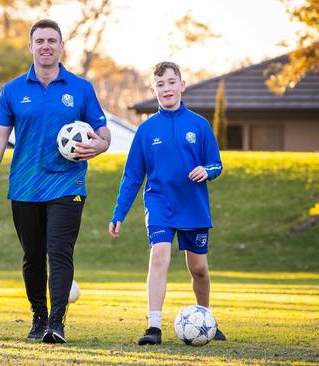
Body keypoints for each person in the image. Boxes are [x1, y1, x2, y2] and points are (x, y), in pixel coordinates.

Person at [0, 19, 112, 344]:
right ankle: (38, 318)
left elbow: (103, 131)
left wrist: (100, 145)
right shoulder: (12, 90)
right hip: (25, 186)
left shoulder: (81, 88)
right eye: (40, 41)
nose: (46, 46)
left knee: (59, 252)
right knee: (32, 256)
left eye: (52, 40)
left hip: (68, 185)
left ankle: (56, 322)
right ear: (31, 47)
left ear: (62, 47)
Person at [108, 61, 226, 345]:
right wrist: (119, 212)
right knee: (159, 255)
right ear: (154, 89)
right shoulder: (146, 131)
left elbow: (216, 163)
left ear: (181, 85)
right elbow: (133, 177)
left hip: (193, 205)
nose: (166, 88)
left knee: (198, 269)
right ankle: (154, 327)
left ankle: (205, 318)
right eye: (160, 84)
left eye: (171, 82)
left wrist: (206, 171)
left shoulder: (199, 125)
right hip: (159, 203)